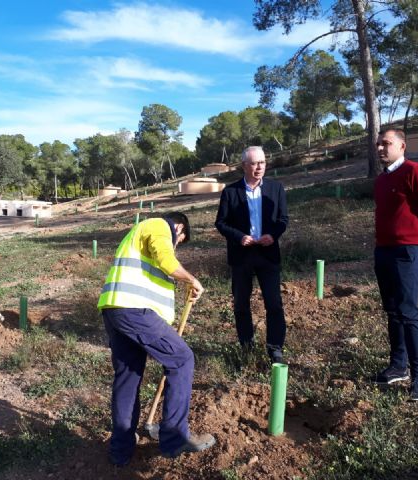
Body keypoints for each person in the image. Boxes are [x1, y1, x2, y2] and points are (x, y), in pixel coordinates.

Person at [97, 212, 215, 465]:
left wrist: (180, 287)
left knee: (128, 377)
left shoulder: (139, 235)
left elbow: (153, 273)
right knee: (182, 359)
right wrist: (192, 279)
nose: (176, 244)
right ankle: (175, 437)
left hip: (116, 310)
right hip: (135, 311)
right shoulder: (160, 225)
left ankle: (121, 451)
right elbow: (166, 260)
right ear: (180, 228)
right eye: (180, 240)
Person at [371, 129, 418, 402]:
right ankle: (398, 366)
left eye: (386, 143)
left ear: (402, 146)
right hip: (384, 251)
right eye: (378, 144)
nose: (380, 148)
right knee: (392, 310)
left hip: (408, 252)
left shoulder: (417, 172)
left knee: (408, 312)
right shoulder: (382, 180)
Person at [215, 146, 289, 364]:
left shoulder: (276, 188)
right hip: (242, 256)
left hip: (268, 254)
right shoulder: (230, 192)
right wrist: (239, 237)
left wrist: (273, 235)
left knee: (274, 303)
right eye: (255, 163)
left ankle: (275, 348)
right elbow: (221, 222)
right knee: (240, 304)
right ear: (244, 166)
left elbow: (283, 219)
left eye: (263, 163)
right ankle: (246, 345)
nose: (259, 167)